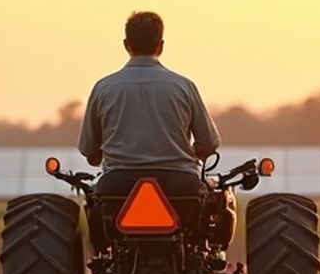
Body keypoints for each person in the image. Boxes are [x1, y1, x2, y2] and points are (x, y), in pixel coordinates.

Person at [79, 11, 221, 197]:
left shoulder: (103, 88)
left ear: (126, 45)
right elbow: (209, 143)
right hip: (179, 187)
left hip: (118, 187)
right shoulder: (183, 86)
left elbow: (89, 150)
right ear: (160, 46)